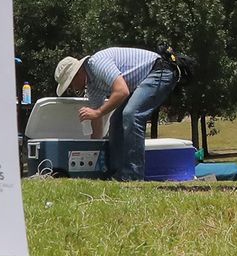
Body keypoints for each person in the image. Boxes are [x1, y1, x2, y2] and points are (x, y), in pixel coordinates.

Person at [54, 47, 179, 182]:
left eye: (71, 83)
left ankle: (133, 176)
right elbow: (97, 121)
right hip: (142, 81)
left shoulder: (97, 63)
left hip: (160, 70)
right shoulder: (92, 87)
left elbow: (122, 91)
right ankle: (117, 173)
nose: (72, 88)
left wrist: (98, 112)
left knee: (131, 114)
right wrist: (92, 152)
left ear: (77, 74)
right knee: (116, 122)